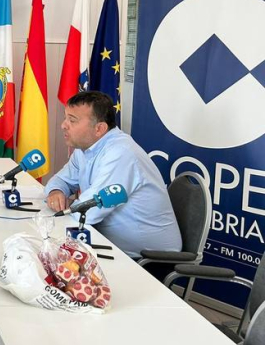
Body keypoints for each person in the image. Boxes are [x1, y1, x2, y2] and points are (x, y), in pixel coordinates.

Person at [44, 91, 181, 258]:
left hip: (145, 259)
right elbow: (60, 180)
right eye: (65, 118)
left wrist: (68, 206)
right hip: (107, 245)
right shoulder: (85, 147)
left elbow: (87, 213)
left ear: (99, 129)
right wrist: (56, 191)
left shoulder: (121, 153)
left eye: (72, 120)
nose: (63, 125)